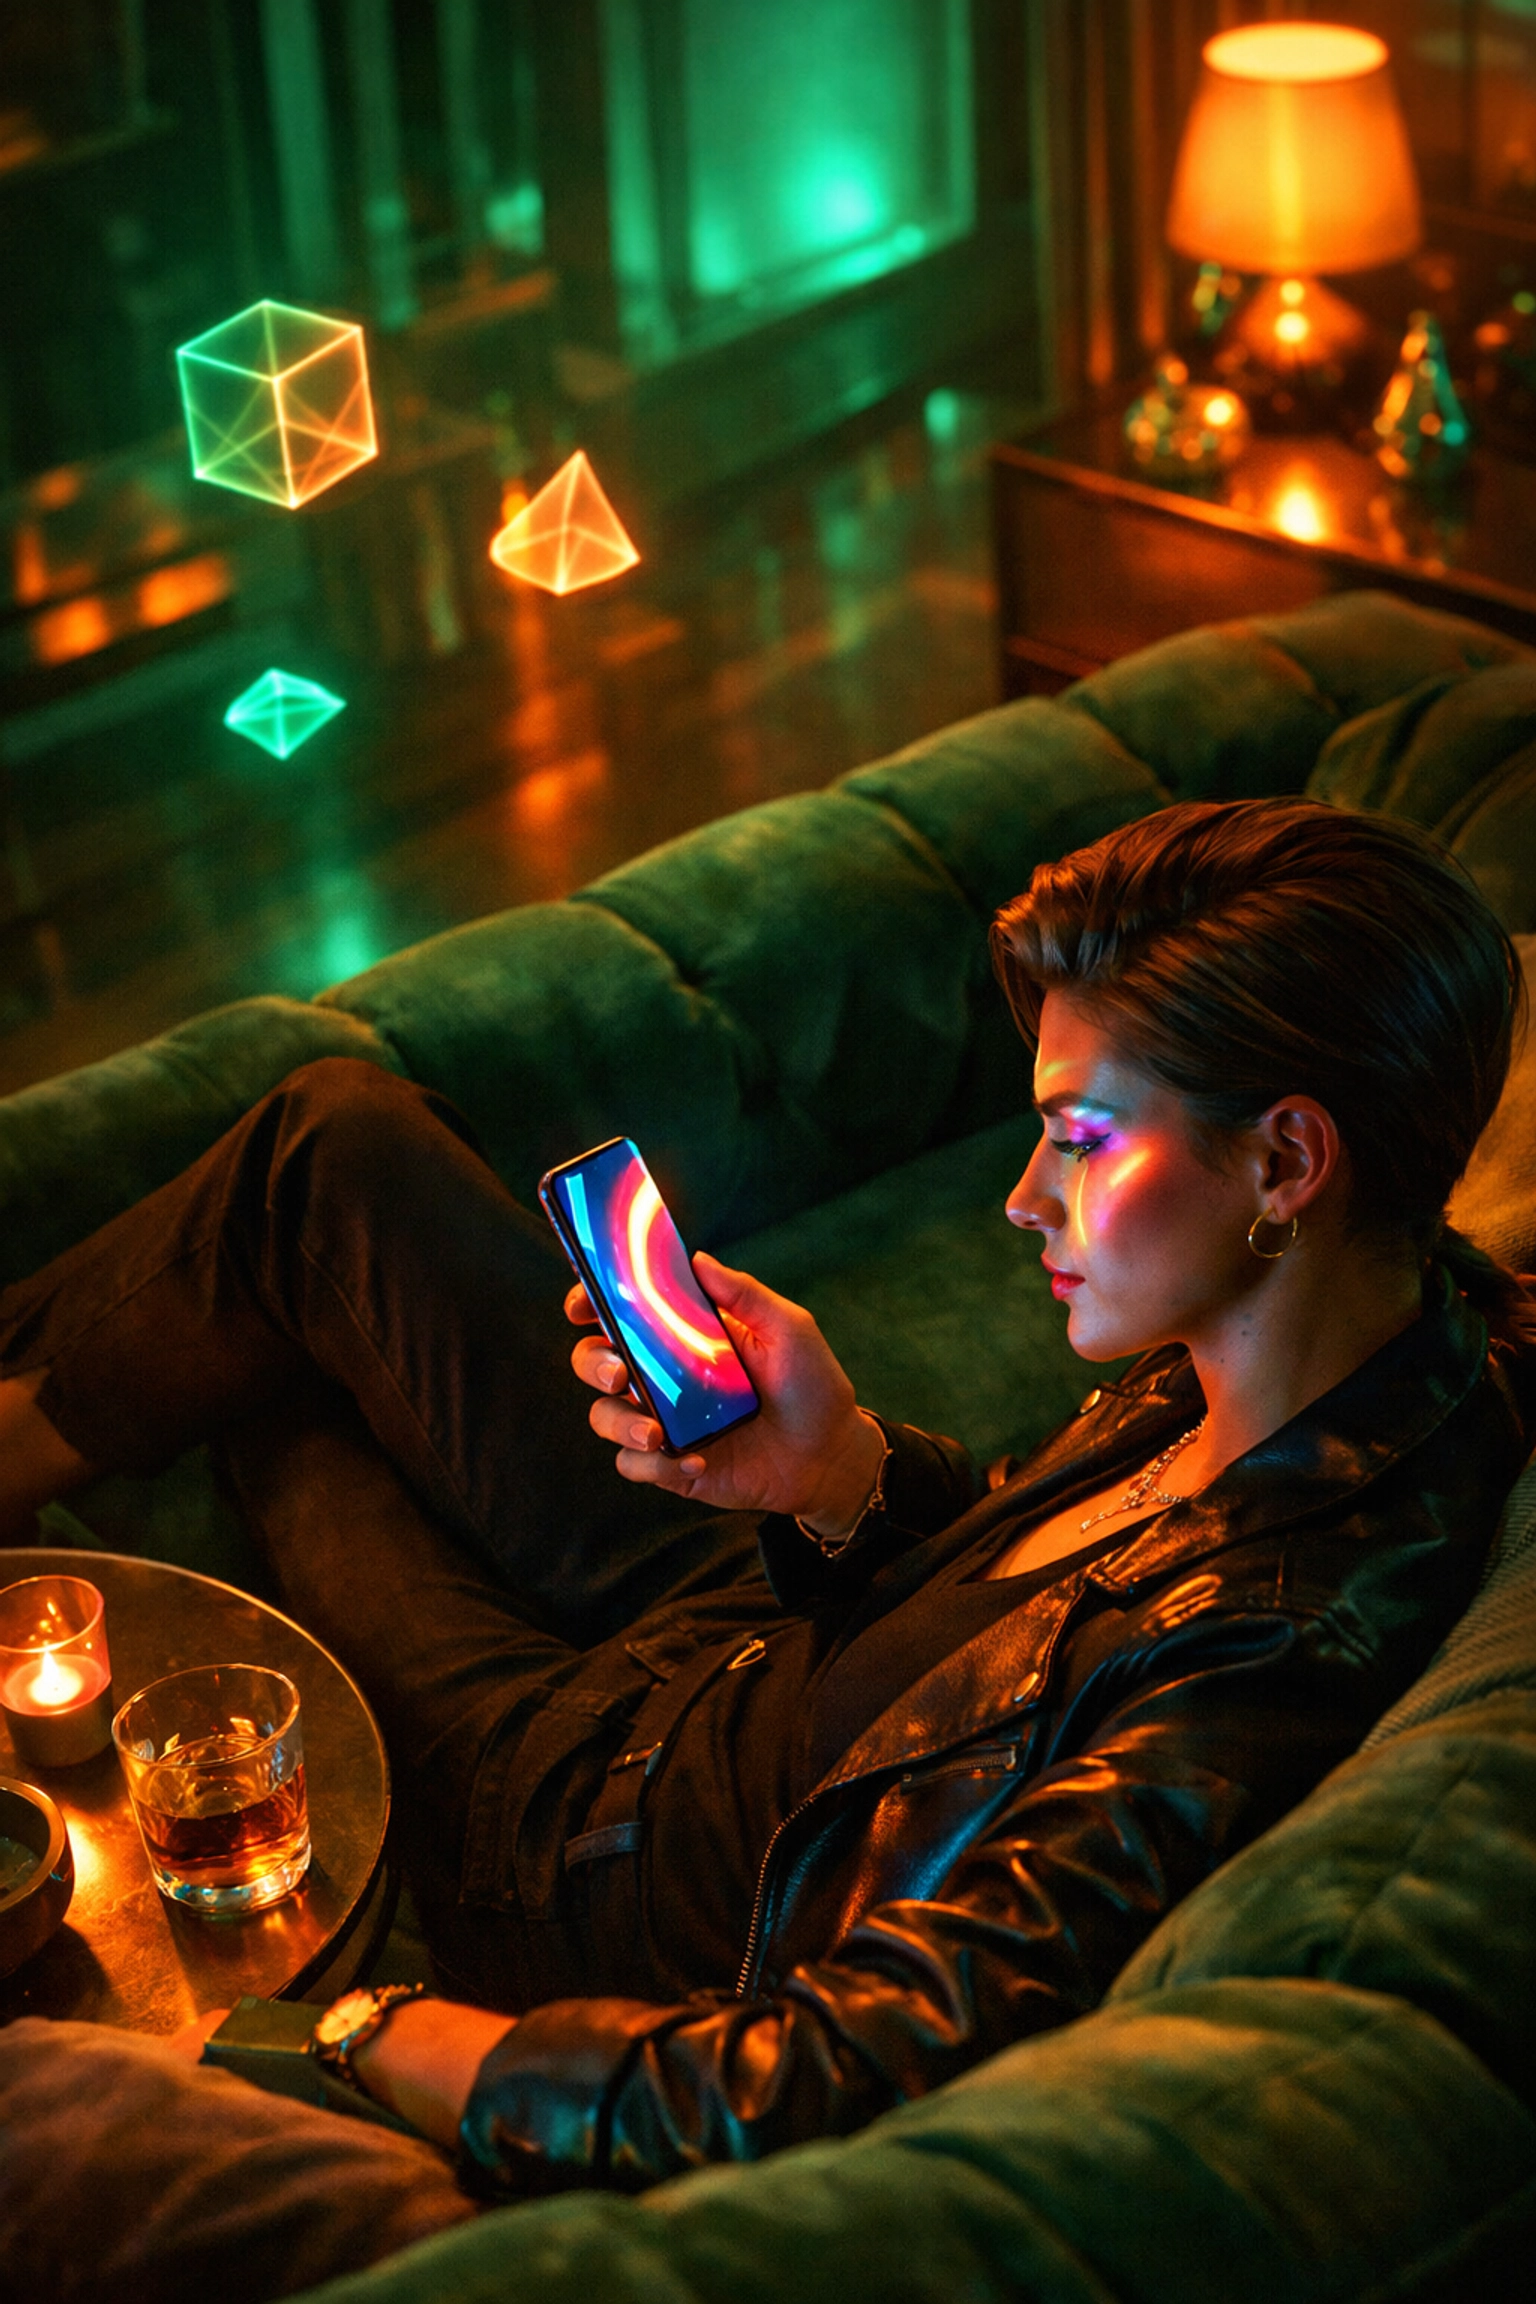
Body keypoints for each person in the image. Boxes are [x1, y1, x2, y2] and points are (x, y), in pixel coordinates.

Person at [0, 797, 1531, 2287]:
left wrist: (347, 2032)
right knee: (328, 1146)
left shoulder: (1262, 1660)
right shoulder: (1338, 1340)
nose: (1023, 1197)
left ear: (1286, 1163)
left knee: (266, 1397)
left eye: (1079, 1139)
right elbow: (1033, 1602)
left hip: (579, 1834)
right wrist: (833, 1468)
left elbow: (791, 2086)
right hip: (739, 1612)